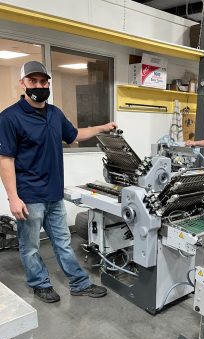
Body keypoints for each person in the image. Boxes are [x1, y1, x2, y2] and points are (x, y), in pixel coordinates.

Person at [0, 60, 117, 303]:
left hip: (54, 194)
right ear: (23, 83)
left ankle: (79, 283)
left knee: (63, 242)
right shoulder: (9, 118)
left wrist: (102, 128)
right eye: (33, 81)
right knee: (31, 246)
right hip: (29, 196)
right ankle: (40, 284)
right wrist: (13, 197)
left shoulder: (54, 114)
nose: (39, 86)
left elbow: (74, 135)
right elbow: (6, 160)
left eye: (43, 81)